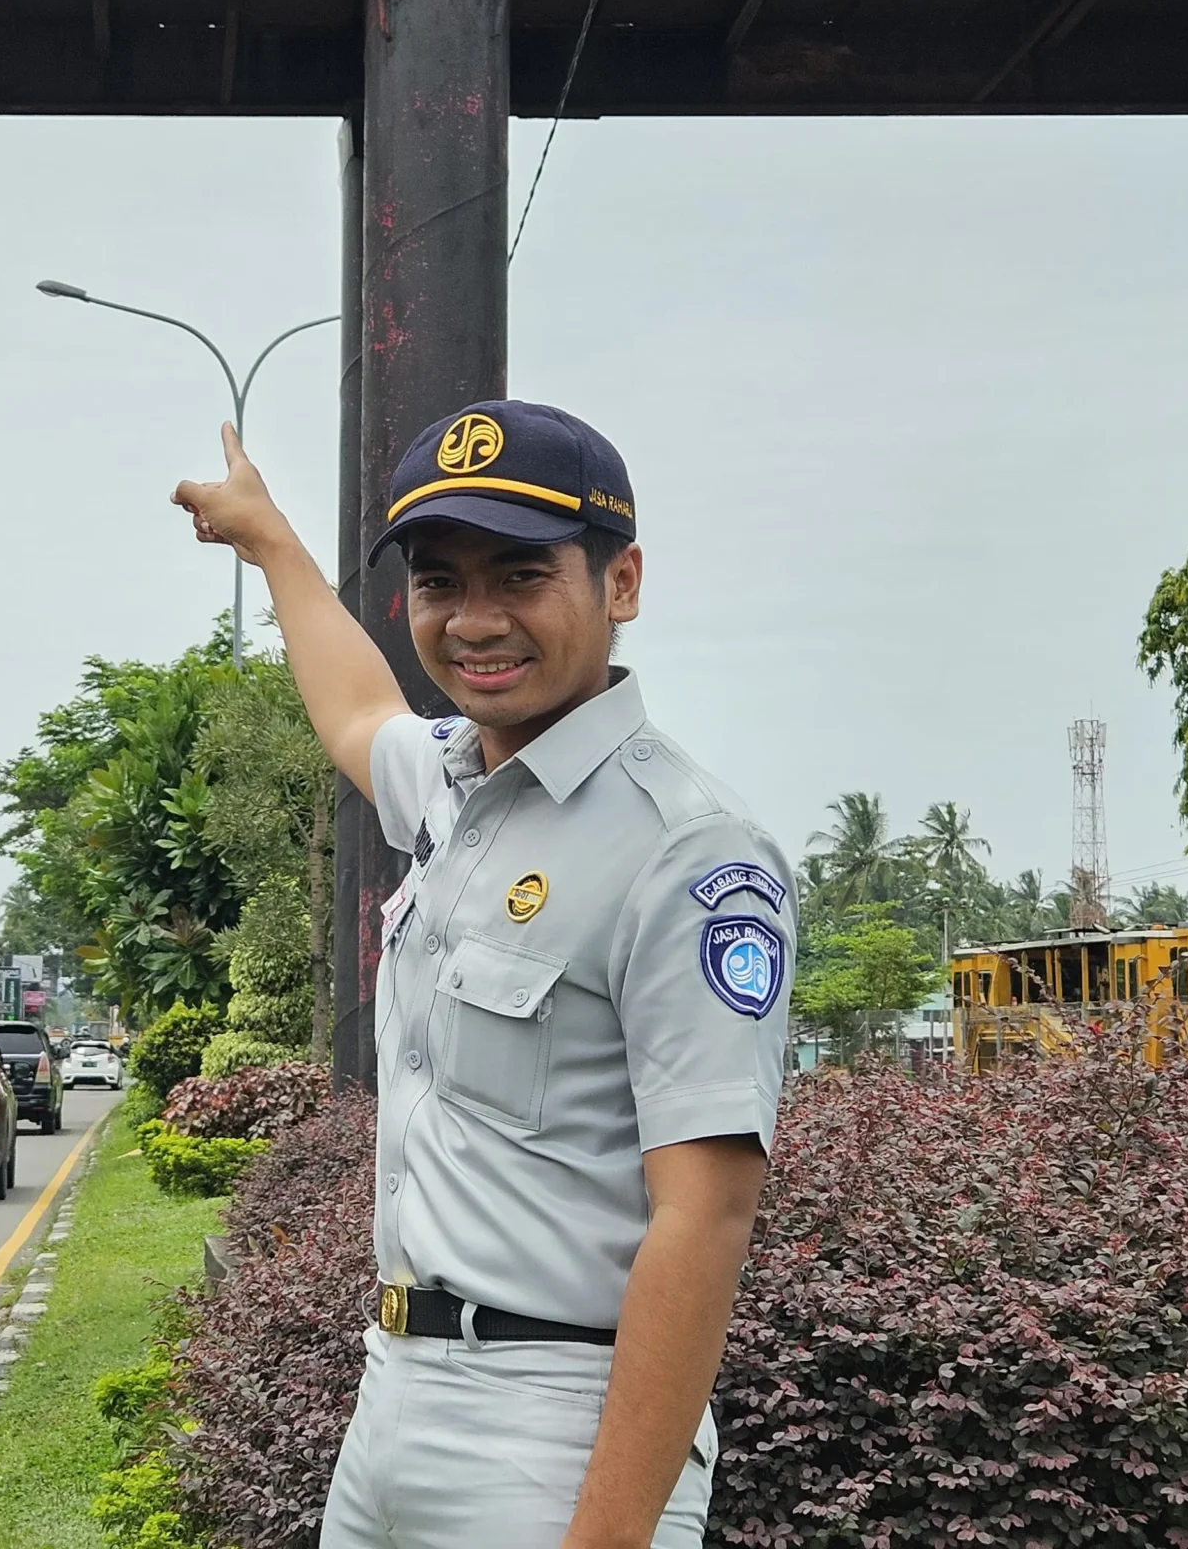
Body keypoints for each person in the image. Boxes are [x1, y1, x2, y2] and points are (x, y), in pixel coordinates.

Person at [173, 400, 792, 1549]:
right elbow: (357, 705)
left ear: (622, 583)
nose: (473, 621)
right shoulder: (453, 787)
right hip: (392, 1394)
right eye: (438, 582)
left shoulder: (690, 853)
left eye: (519, 577)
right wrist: (269, 544)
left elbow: (704, 1215)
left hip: (554, 1430)